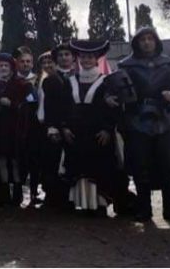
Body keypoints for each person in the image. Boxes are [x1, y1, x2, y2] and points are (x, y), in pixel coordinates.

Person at [115, 27, 170, 223]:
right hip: (137, 121)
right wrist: (113, 99)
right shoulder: (126, 66)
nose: (147, 42)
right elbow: (115, 89)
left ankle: (169, 208)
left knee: (168, 167)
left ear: (156, 41)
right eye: (143, 39)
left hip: (165, 120)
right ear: (136, 43)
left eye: (150, 39)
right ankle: (144, 208)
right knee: (141, 167)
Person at [59, 40, 118, 216]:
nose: (86, 60)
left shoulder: (106, 81)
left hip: (97, 132)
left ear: (97, 59)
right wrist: (64, 127)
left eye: (90, 57)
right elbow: (63, 107)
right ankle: (82, 203)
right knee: (78, 168)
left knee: (98, 168)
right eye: (83, 57)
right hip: (75, 133)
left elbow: (112, 109)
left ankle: (98, 204)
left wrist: (107, 129)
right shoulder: (70, 81)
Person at [0, 53, 31, 206]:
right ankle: (4, 192)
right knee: (1, 159)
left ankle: (17, 192)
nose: (3, 68)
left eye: (6, 66)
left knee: (15, 160)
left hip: (14, 128)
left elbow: (28, 105)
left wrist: (12, 104)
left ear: (11, 68)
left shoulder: (21, 84)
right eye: (0, 65)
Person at [38, 42, 77, 209]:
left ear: (73, 57)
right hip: (57, 126)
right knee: (54, 162)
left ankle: (73, 198)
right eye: (60, 55)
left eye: (67, 54)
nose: (64, 58)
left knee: (73, 162)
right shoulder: (51, 79)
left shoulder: (79, 76)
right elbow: (49, 106)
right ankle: (55, 199)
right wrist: (53, 127)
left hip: (77, 126)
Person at [14, 46, 43, 206]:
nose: (25, 64)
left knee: (34, 160)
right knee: (19, 160)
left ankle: (33, 192)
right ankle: (17, 192)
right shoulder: (13, 80)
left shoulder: (38, 80)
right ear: (17, 63)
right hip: (17, 125)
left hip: (34, 125)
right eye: (22, 61)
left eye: (28, 61)